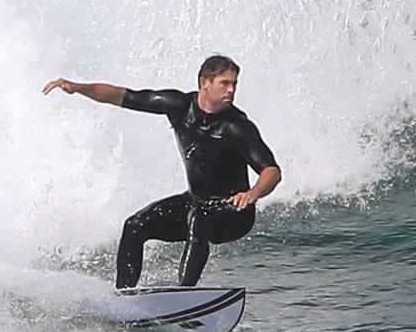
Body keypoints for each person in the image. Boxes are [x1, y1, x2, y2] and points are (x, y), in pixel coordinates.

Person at [43, 55, 281, 288]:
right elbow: (124, 96)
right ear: (204, 84)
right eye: (225, 83)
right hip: (196, 202)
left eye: (234, 84)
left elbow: (271, 170)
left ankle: (183, 298)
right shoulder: (178, 106)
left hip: (233, 213)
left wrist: (253, 193)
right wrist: (77, 87)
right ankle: (124, 298)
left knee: (199, 219)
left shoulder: (238, 126)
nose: (231, 90)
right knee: (135, 225)